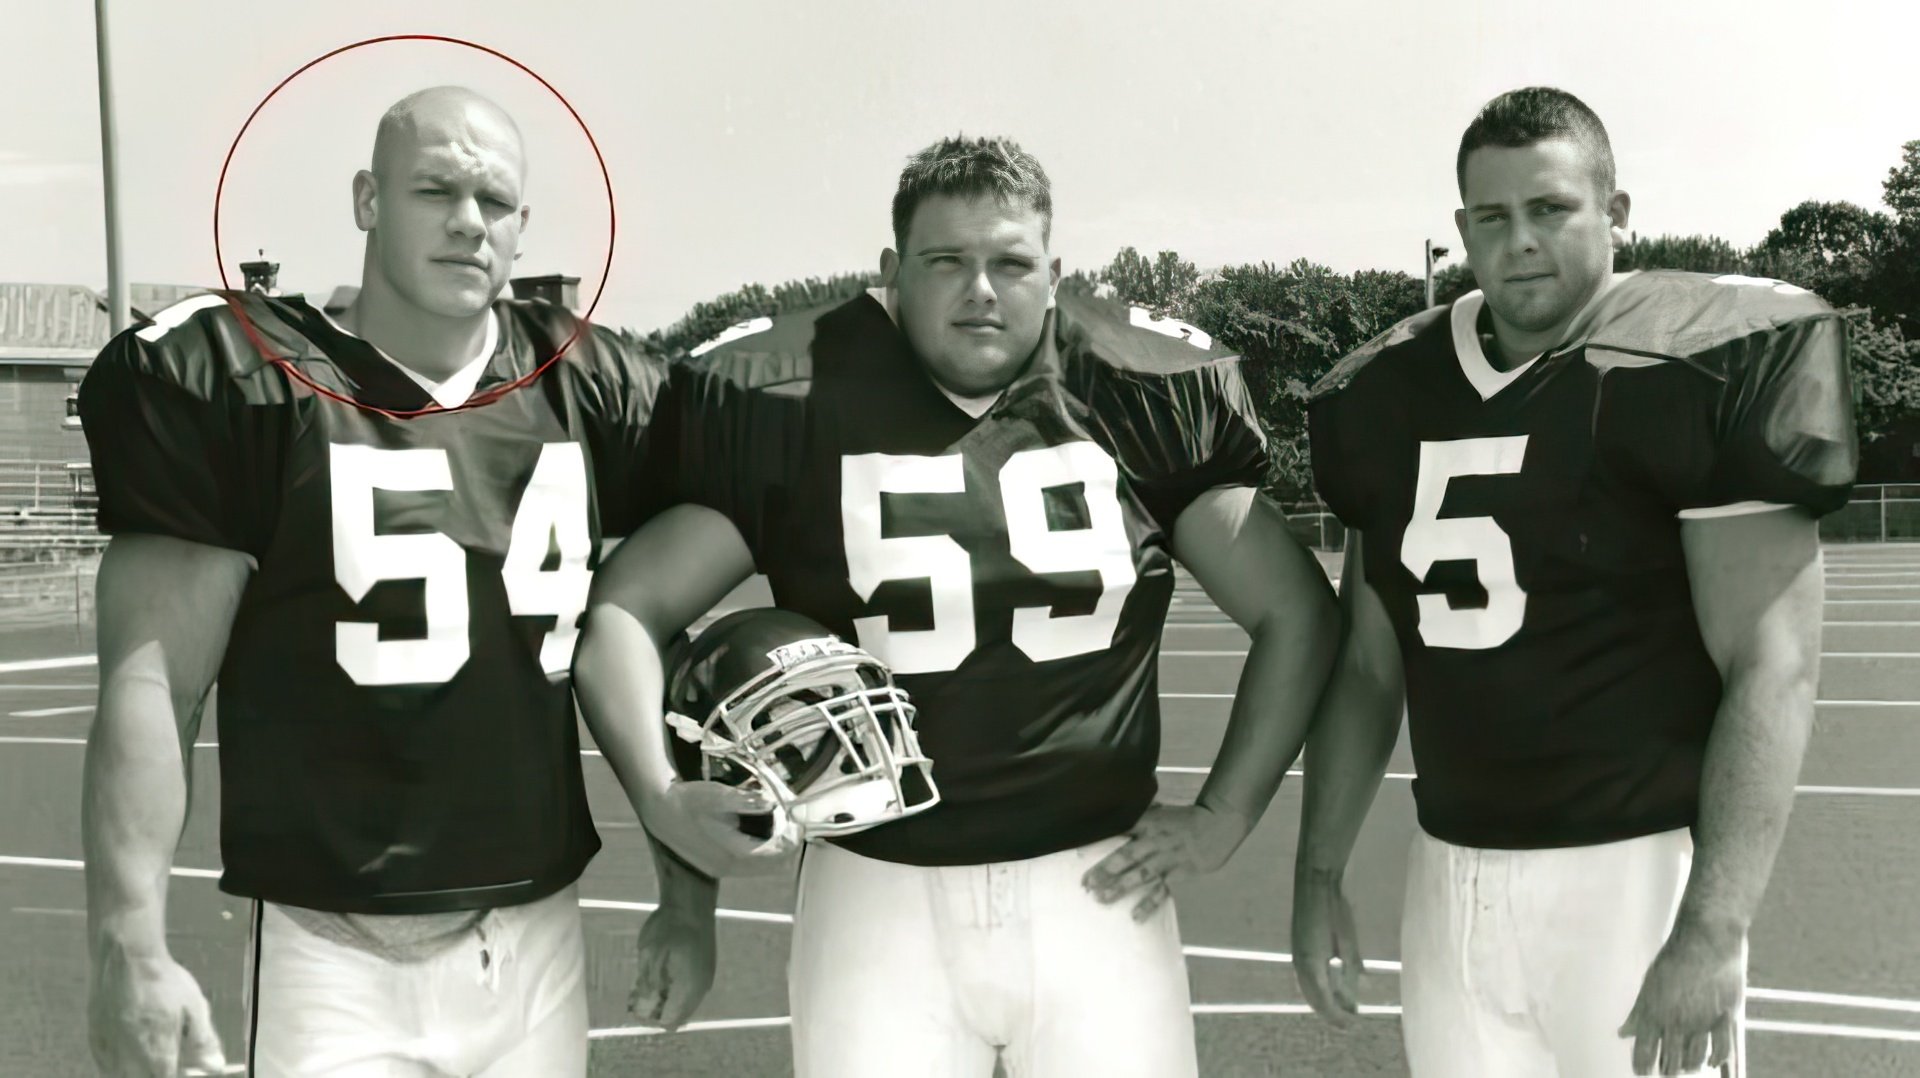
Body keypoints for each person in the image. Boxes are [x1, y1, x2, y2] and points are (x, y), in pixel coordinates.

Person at [572, 134, 1340, 1076]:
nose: (982, 289)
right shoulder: (791, 400)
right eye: (947, 262)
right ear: (891, 272)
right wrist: (659, 801)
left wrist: (1224, 815)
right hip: (874, 896)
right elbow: (626, 608)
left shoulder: (1137, 390)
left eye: (1011, 263)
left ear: (1055, 274)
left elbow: (1296, 609)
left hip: (1096, 889)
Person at [78, 86, 669, 1077]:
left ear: (524, 227)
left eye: (495, 200)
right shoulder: (247, 381)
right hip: (331, 956)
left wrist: (686, 894)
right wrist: (127, 944)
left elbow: (672, 601)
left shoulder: (589, 382)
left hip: (535, 946)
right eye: (434, 187)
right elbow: (152, 686)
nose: (467, 220)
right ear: (368, 198)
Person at [1293, 86, 1856, 1078]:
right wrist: (1319, 864)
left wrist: (1714, 928)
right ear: (1461, 226)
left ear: (1616, 211)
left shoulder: (1695, 357)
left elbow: (1773, 663)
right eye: (1491, 217)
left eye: (1550, 210)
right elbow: (1369, 667)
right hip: (1449, 875)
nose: (1519, 243)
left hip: (1632, 880)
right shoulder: (1381, 391)